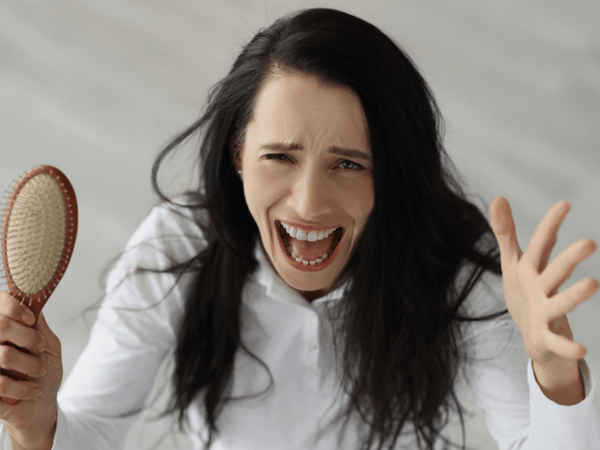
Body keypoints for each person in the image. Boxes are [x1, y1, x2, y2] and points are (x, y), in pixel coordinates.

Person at [0, 7, 598, 450]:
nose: (309, 204)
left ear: (393, 173)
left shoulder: (452, 266)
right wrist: (34, 421)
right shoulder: (179, 246)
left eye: (348, 163)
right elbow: (93, 431)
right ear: (237, 154)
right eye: (279, 157)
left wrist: (551, 370)